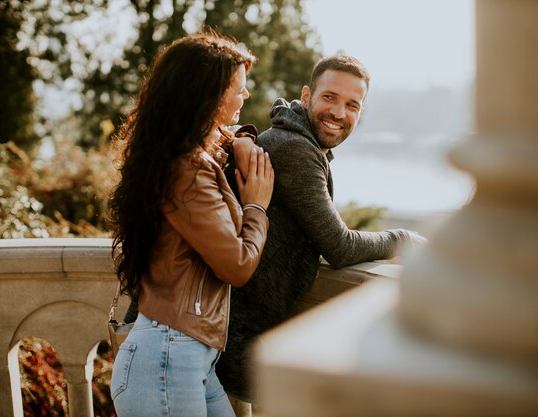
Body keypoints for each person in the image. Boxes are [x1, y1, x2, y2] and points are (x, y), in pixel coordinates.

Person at [215, 54, 427, 402]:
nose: (339, 113)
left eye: (352, 105)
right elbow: (339, 246)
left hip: (238, 331)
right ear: (306, 96)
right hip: (231, 334)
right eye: (329, 97)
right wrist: (404, 239)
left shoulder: (291, 141)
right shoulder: (293, 149)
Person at [108, 32, 274, 417]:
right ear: (208, 95)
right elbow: (236, 265)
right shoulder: (187, 170)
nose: (246, 97)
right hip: (169, 357)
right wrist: (257, 207)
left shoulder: (176, 157)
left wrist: (242, 141)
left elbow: (223, 140)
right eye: (239, 89)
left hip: (185, 355)